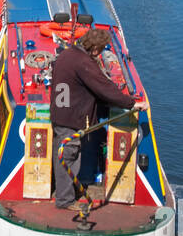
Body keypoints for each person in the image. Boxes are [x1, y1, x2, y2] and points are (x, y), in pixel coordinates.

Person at [50, 27, 139, 209]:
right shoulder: (83, 62)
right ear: (97, 49)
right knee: (69, 157)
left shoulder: (67, 54)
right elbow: (103, 87)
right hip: (71, 118)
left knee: (67, 155)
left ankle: (69, 192)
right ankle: (65, 200)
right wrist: (131, 103)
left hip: (62, 112)